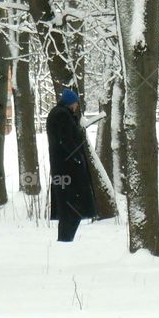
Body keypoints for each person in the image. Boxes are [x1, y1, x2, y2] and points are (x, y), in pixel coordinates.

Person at [47, 89, 97, 242]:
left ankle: (65, 239)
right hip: (68, 169)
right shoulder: (62, 115)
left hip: (62, 168)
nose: (76, 106)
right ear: (70, 102)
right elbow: (66, 139)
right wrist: (77, 158)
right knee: (71, 206)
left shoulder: (58, 113)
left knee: (67, 207)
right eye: (75, 103)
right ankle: (65, 241)